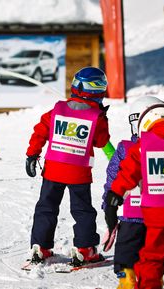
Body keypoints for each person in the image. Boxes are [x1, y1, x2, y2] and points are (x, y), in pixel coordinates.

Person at [105, 103, 164, 289]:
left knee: (152, 257)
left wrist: (114, 198)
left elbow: (126, 174)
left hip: (156, 214)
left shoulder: (143, 146)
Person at [25, 67, 110, 266]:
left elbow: (40, 131)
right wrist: (102, 117)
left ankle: (41, 246)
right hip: (77, 172)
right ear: (97, 90)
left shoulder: (58, 109)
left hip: (53, 170)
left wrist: (32, 154)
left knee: (46, 207)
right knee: (82, 210)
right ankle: (84, 248)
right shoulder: (96, 116)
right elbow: (101, 141)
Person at [101, 96, 164, 289]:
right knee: (153, 258)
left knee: (126, 254)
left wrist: (108, 206)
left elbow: (112, 180)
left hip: (132, 218)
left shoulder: (126, 148)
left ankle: (127, 281)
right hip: (159, 218)